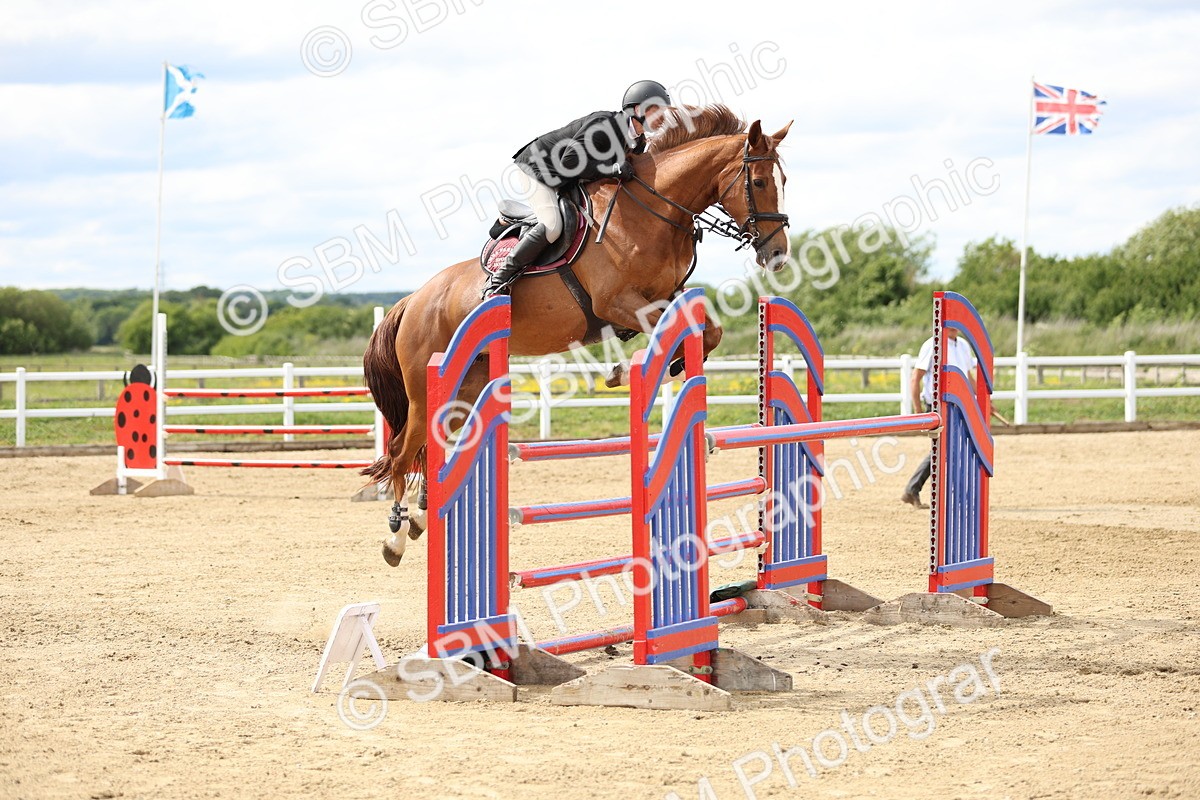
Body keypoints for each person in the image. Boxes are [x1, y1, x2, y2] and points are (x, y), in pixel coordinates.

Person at [482, 80, 672, 297]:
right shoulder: (605, 124)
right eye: (657, 109)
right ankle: (498, 281)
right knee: (552, 226)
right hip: (539, 168)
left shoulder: (638, 143)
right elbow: (570, 162)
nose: (663, 117)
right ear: (637, 109)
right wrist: (612, 168)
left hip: (569, 179)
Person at [901, 327, 977, 508]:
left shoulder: (963, 345)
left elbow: (968, 377)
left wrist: (983, 400)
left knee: (946, 449)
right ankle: (951, 494)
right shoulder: (932, 345)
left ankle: (914, 489)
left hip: (959, 405)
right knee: (945, 448)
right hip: (938, 405)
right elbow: (916, 377)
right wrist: (918, 411)